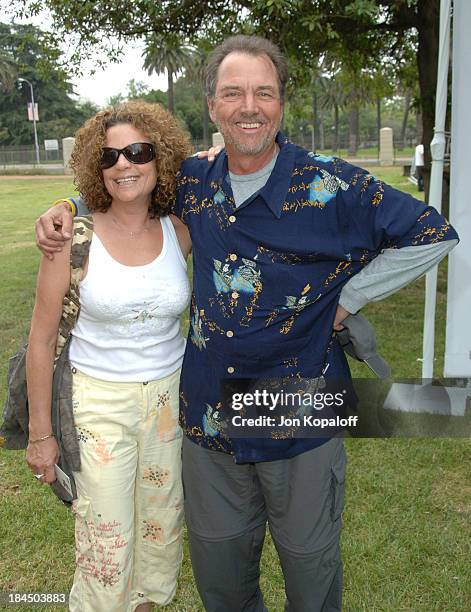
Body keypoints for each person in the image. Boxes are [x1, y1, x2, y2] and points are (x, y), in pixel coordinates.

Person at [36, 36, 458, 612]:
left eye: (264, 92)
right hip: (210, 420)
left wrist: (346, 299)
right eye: (233, 93)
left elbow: (432, 233)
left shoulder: (331, 184)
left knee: (310, 577)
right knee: (222, 581)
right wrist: (66, 209)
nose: (249, 106)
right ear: (212, 106)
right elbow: (121, 188)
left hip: (301, 408)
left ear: (282, 103)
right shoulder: (192, 179)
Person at [26, 100, 193, 612]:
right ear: (95, 170)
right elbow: (40, 339)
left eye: (137, 152)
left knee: (160, 530)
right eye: (110, 157)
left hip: (169, 404)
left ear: (159, 158)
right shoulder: (72, 238)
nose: (124, 164)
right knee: (107, 538)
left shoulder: (179, 231)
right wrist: (40, 435)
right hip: (99, 405)